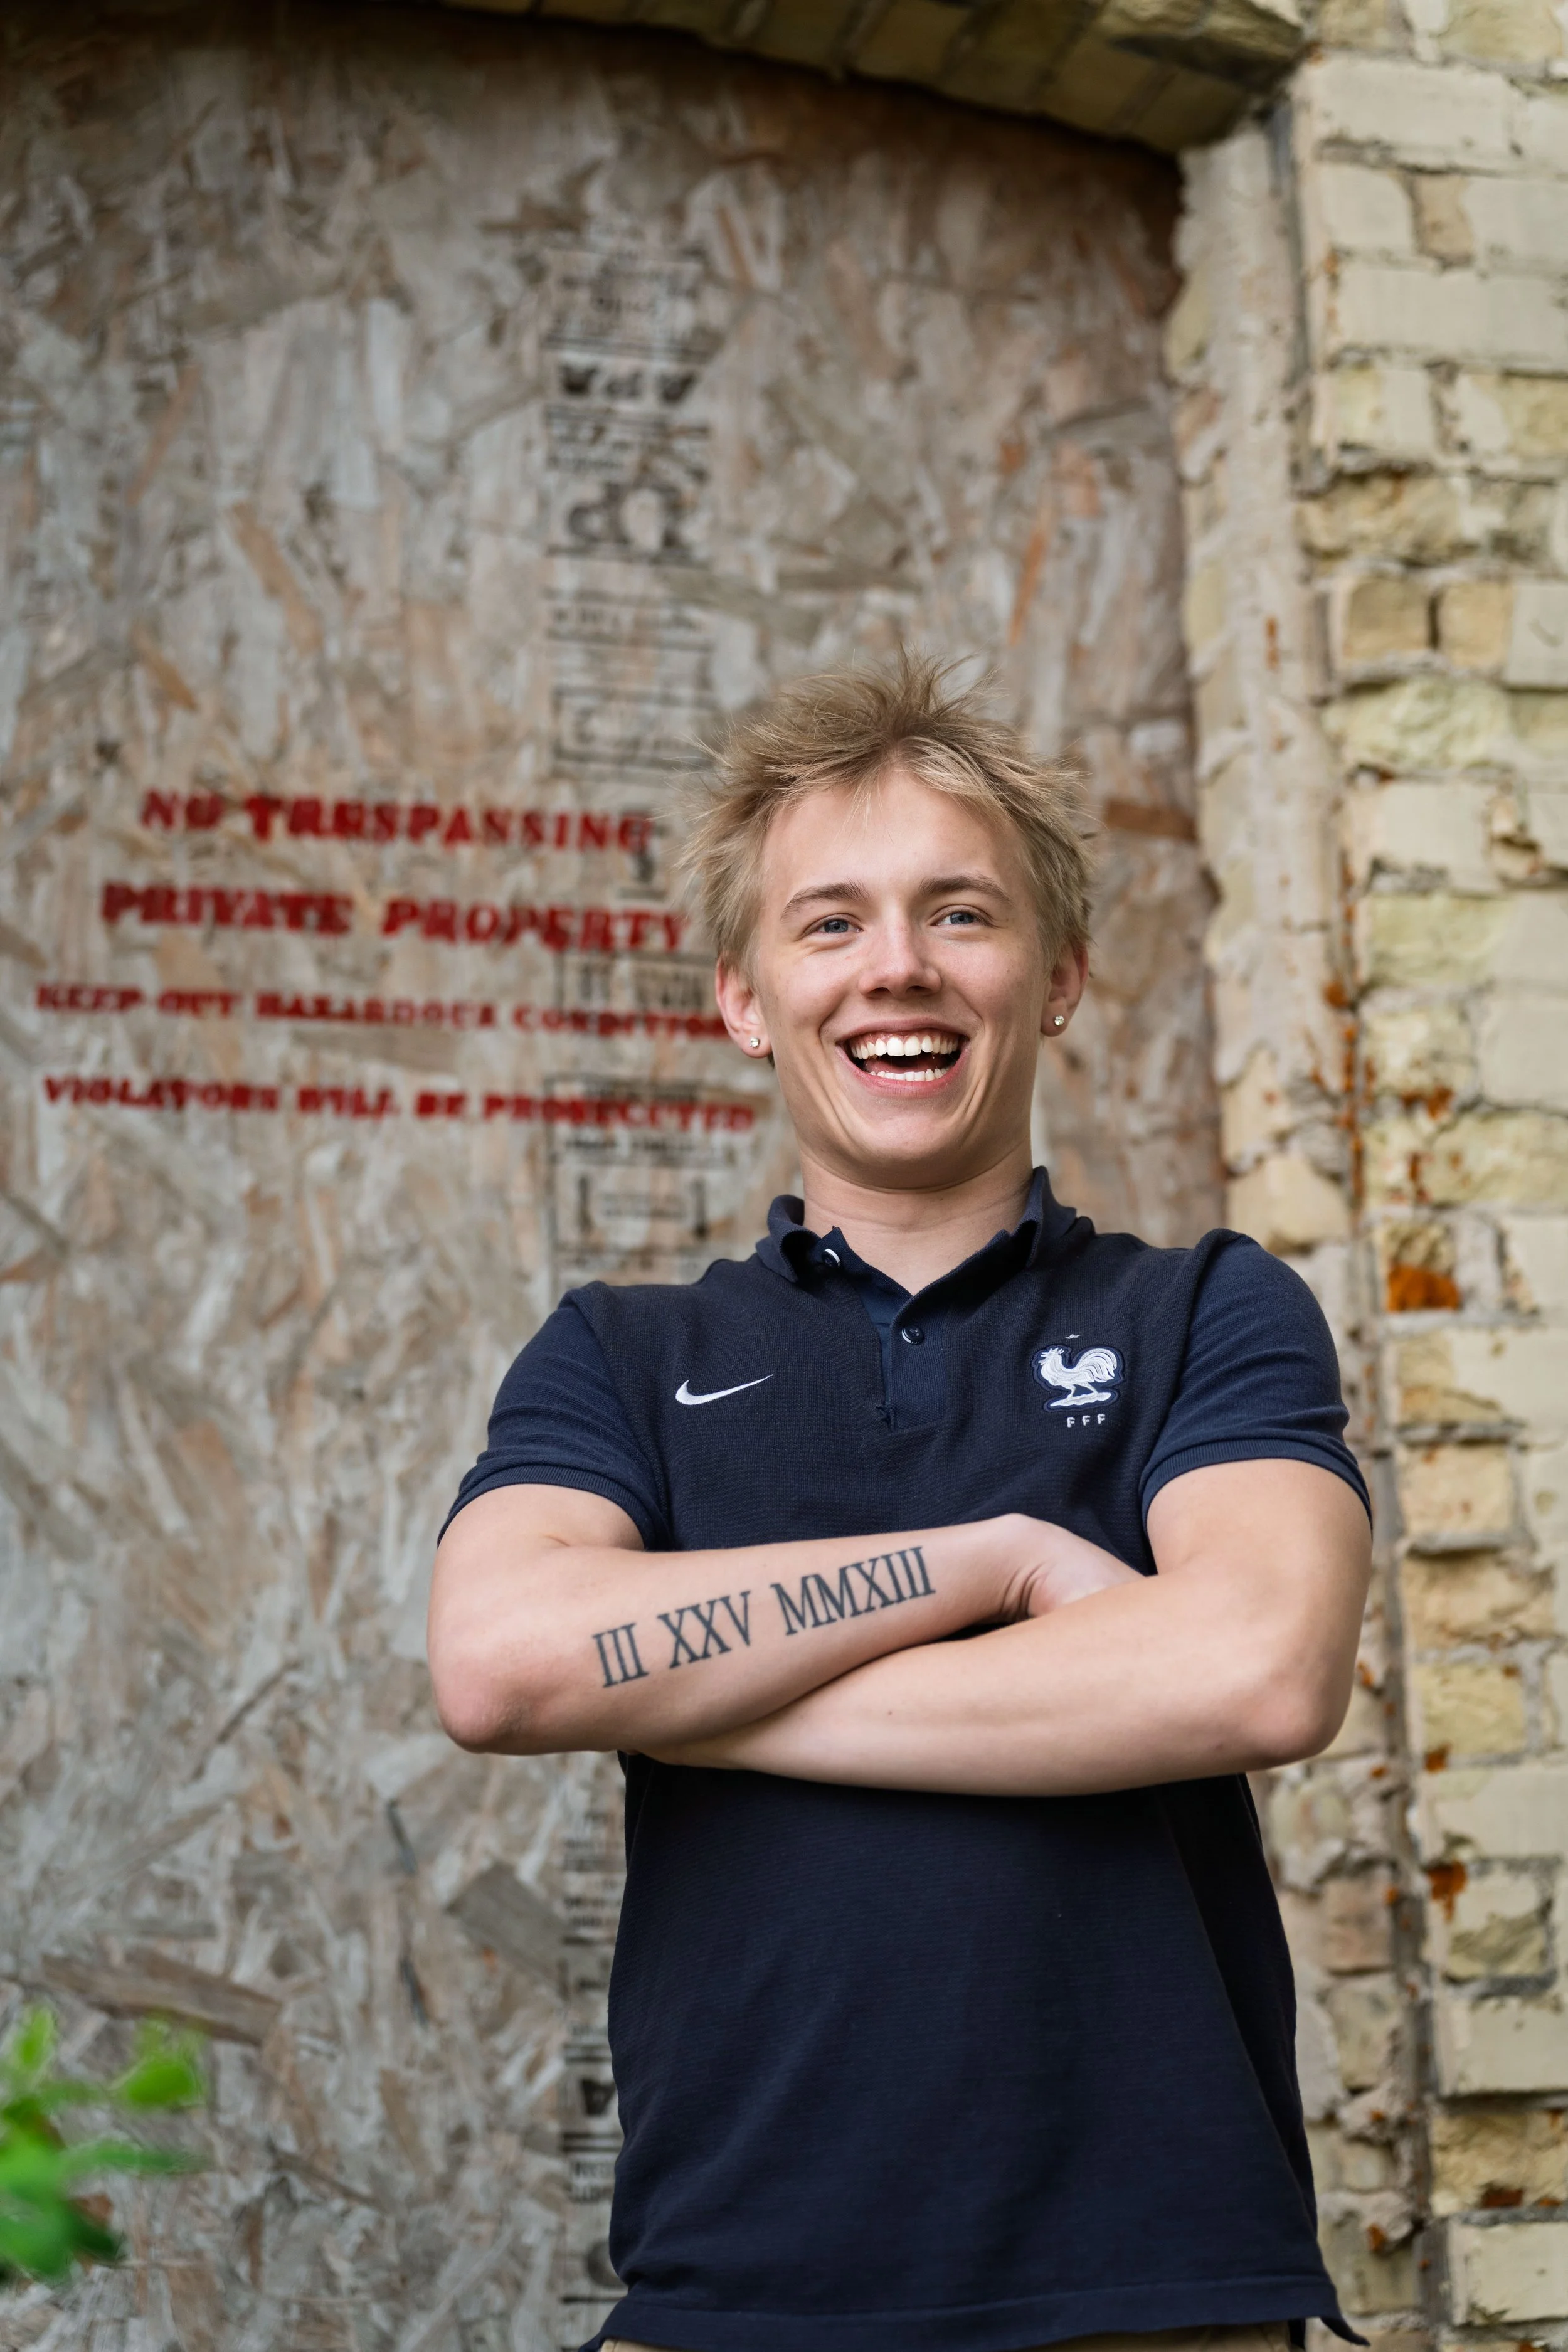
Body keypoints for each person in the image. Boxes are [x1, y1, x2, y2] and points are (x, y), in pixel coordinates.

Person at [428, 654, 1373, 2352]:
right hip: (735, 2295)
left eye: (959, 912)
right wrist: (991, 1559)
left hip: (1157, 2295)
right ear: (741, 995)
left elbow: (1251, 1668)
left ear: (1058, 972)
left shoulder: (1209, 1311)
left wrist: (694, 1697)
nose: (896, 968)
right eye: (829, 922)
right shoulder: (623, 1358)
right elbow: (502, 1660)